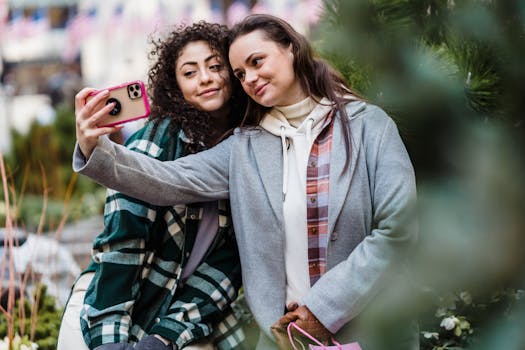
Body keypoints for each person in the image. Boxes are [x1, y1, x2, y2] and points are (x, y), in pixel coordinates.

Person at [73, 14, 418, 350]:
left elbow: (397, 231)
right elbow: (169, 179)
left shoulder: (369, 126)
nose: (250, 77)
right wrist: (95, 148)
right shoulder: (245, 147)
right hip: (282, 337)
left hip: (374, 329)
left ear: (292, 50)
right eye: (240, 73)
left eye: (257, 61)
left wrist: (320, 311)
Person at [59, 21, 248, 350]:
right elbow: (122, 248)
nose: (205, 78)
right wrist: (110, 339)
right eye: (189, 72)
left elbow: (229, 263)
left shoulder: (249, 149)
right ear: (174, 86)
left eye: (215, 66)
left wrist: (165, 337)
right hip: (115, 300)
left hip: (188, 309)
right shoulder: (153, 145)